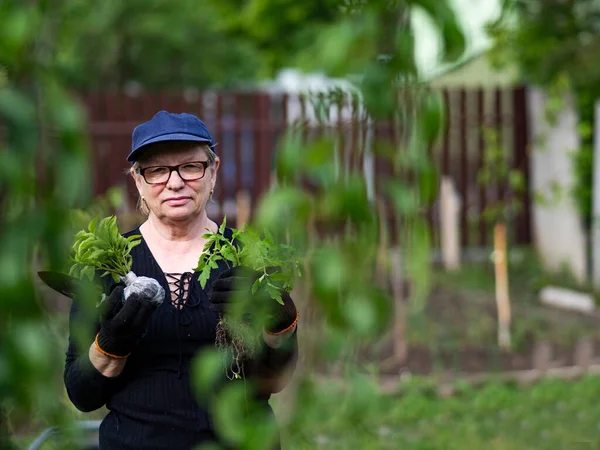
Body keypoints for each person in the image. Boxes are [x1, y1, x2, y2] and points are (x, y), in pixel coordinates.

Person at [63, 111, 299, 450]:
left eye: (190, 166)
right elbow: (81, 395)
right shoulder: (109, 265)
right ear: (138, 181)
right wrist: (110, 345)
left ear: (213, 172)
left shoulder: (252, 258)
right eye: (157, 170)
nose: (175, 183)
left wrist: (281, 323)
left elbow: (276, 380)